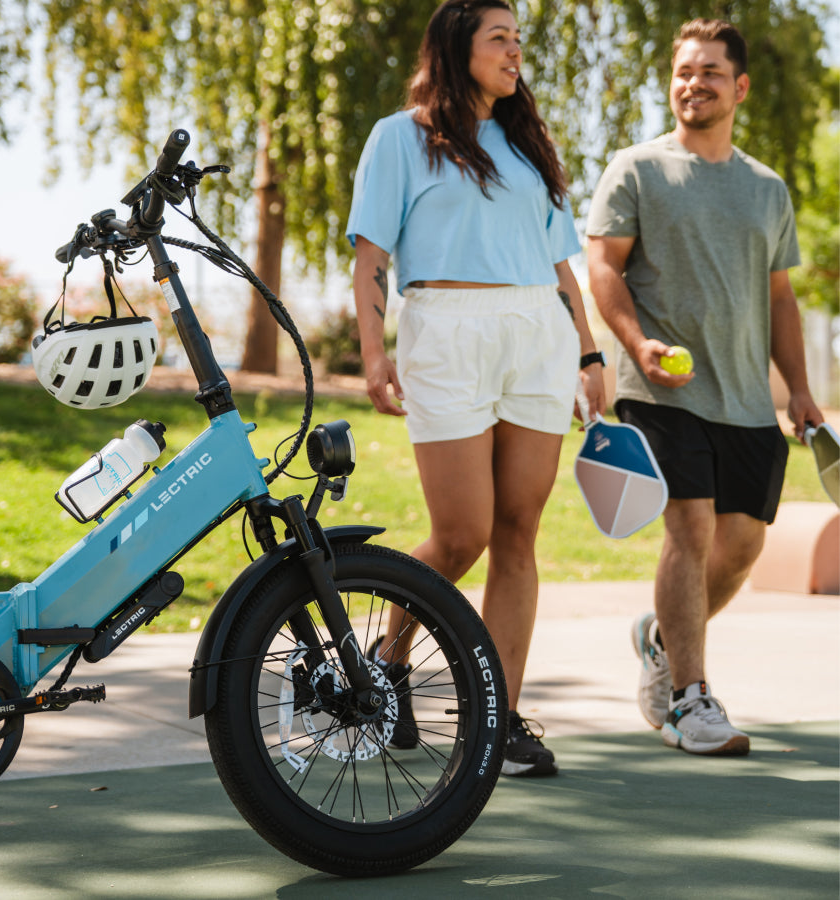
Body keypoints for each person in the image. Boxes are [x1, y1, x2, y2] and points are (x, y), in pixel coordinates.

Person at [346, 0, 605, 777]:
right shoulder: (400, 136)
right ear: (457, 47)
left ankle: (496, 719)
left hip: (537, 334)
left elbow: (562, 263)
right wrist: (371, 353)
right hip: (445, 329)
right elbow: (370, 258)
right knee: (463, 534)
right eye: (499, 37)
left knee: (518, 532)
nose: (514, 51)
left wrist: (588, 357)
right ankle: (388, 657)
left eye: (518, 39)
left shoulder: (529, 143)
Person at [586, 18, 824, 756]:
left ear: (738, 87)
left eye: (710, 72)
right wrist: (636, 343)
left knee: (742, 546)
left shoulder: (765, 189)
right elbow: (603, 267)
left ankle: (661, 640)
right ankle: (690, 698)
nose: (693, 83)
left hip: (746, 399)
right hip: (659, 390)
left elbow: (780, 298)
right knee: (688, 529)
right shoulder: (636, 168)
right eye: (684, 71)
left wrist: (801, 392)